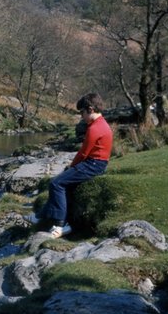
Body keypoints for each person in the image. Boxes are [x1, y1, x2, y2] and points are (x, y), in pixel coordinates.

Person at [26, 92, 113, 238]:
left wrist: (72, 167)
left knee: (56, 184)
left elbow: (83, 153)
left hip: (93, 164)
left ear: (90, 109)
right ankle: (41, 215)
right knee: (63, 184)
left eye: (82, 113)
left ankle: (61, 225)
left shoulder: (94, 128)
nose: (81, 117)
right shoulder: (102, 123)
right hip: (97, 163)